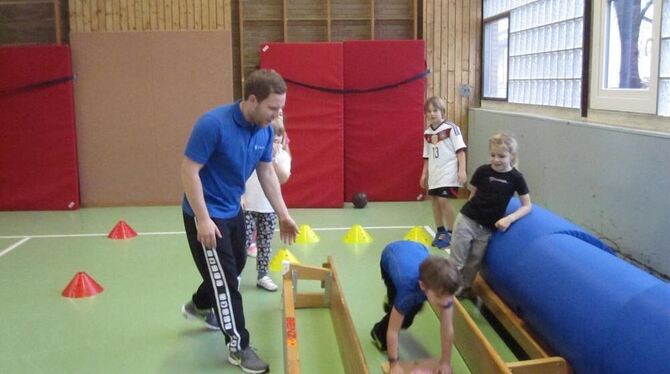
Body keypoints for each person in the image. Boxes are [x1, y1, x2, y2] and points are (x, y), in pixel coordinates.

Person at [179, 69, 299, 374]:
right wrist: (203, 220)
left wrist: (283, 214)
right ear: (252, 99)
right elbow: (188, 171)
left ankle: (200, 305)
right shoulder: (213, 124)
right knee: (228, 282)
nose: (277, 115)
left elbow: (267, 172)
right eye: (273, 108)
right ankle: (238, 346)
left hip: (234, 209)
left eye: (281, 109)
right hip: (207, 215)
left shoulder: (265, 129)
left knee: (235, 268)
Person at [449, 132, 532, 300]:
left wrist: (509, 219)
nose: (496, 160)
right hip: (467, 220)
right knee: (457, 259)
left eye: (501, 156)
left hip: (486, 229)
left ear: (512, 156)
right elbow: (473, 194)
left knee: (474, 262)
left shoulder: (516, 178)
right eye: (493, 155)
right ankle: (448, 287)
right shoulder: (482, 171)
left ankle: (463, 289)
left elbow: (527, 205)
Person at [370, 240, 460, 374]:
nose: (446, 302)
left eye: (450, 296)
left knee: (413, 307)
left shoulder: (444, 288)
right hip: (390, 255)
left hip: (416, 249)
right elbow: (393, 331)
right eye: (440, 297)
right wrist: (394, 365)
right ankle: (378, 332)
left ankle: (394, 304)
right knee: (405, 316)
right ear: (423, 286)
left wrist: (445, 362)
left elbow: (447, 327)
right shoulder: (408, 289)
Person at [242, 112, 292, 292]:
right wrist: (240, 196)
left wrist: (273, 158)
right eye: (272, 138)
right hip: (248, 207)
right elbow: (242, 174)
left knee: (265, 244)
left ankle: (262, 275)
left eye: (278, 138)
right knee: (243, 242)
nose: (275, 142)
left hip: (269, 209)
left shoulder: (283, 157)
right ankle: (237, 275)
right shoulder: (253, 152)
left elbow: (283, 177)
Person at [420, 97, 467, 250]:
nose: (432, 114)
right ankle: (441, 231)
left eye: (435, 110)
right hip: (435, 172)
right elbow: (426, 156)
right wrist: (424, 174)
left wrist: (462, 170)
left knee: (443, 201)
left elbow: (460, 150)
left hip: (449, 171)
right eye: (429, 111)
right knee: (434, 200)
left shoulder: (451, 128)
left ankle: (452, 233)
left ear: (442, 112)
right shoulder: (427, 133)